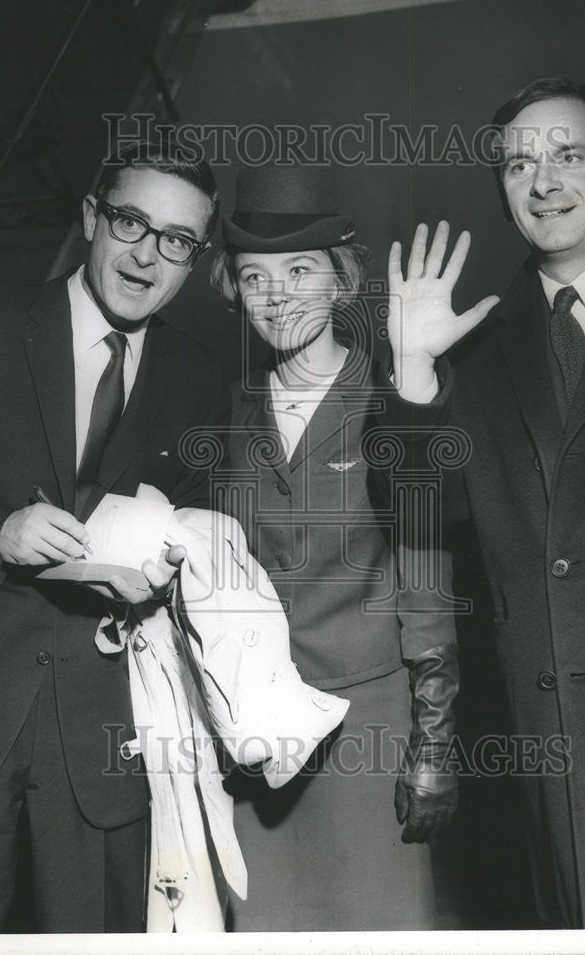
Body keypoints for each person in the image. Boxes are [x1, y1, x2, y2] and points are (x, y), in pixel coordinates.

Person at [385, 77, 585, 928]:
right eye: (519, 165)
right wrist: (414, 375)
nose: (544, 181)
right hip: (554, 759)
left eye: (569, 155)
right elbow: (421, 513)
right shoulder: (477, 345)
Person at [0, 140, 230, 932]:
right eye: (132, 222)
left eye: (177, 241)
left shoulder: (199, 377)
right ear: (89, 218)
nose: (148, 256)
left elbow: (200, 524)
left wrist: (176, 570)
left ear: (194, 258)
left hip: (108, 742)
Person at [209, 164, 481, 931]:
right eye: (253, 276)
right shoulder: (224, 407)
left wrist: (434, 741)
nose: (277, 294)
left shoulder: (393, 398)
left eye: (300, 270)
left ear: (340, 282)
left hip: (371, 734)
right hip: (258, 739)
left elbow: (425, 570)